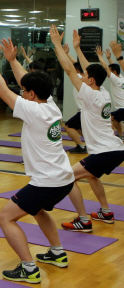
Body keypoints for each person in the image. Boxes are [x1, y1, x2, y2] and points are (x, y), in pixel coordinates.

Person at [0, 37, 74, 283]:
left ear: (32, 95)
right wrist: (13, 61)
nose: (21, 93)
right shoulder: (51, 106)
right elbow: (28, 82)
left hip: (47, 181)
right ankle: (57, 253)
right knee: (36, 210)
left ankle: (28, 268)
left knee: (5, 217)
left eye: (24, 91)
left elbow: (2, 91)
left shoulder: (33, 111)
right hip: (64, 179)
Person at [52, 28, 124, 232]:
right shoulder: (103, 92)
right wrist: (76, 48)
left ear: (90, 80)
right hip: (116, 149)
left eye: (84, 75)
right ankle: (106, 211)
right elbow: (90, 69)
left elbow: (69, 70)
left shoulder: (89, 95)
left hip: (104, 152)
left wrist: (57, 45)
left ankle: (83, 220)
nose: (81, 75)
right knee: (92, 176)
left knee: (67, 177)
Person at [101, 43, 124, 139]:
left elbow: (106, 68)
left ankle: (112, 137)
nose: (108, 73)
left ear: (114, 72)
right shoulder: (121, 78)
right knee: (116, 119)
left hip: (122, 108)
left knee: (110, 117)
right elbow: (113, 67)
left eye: (110, 71)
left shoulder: (116, 80)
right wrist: (109, 58)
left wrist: (100, 57)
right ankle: (121, 135)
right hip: (121, 109)